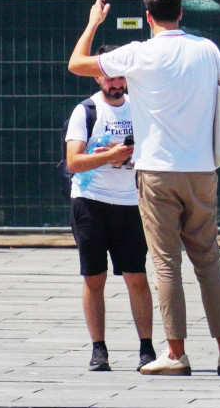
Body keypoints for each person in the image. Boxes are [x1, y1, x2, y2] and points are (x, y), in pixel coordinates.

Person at [67, 0, 220, 377]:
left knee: (166, 264)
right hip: (201, 169)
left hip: (157, 172)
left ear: (148, 17)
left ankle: (176, 353)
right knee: (209, 261)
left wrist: (94, 23)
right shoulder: (208, 50)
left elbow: (76, 63)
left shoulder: (138, 54)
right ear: (181, 12)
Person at [64, 46, 156, 373]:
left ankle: (147, 348)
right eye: (108, 77)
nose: (115, 84)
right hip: (90, 201)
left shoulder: (141, 107)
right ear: (97, 77)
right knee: (94, 277)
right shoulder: (86, 111)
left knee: (136, 276)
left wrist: (133, 156)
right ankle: (98, 349)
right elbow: (73, 162)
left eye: (120, 78)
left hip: (130, 203)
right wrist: (109, 156)